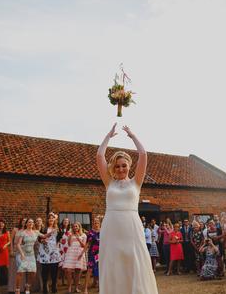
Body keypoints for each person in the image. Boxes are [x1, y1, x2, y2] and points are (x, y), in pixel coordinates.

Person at [96, 123, 158, 294]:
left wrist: (132, 135)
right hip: (111, 226)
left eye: (124, 165)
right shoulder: (109, 183)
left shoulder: (136, 183)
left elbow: (143, 155)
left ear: (129, 166)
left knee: (134, 260)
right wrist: (108, 137)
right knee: (112, 261)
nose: (121, 168)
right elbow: (100, 156)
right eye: (117, 166)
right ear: (113, 168)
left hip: (131, 225)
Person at [15, 218, 56, 294]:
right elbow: (18, 244)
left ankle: (27, 286)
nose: (31, 223)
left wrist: (52, 232)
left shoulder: (36, 232)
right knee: (20, 272)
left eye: (32, 222)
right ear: (26, 224)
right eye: (29, 222)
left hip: (31, 254)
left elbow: (44, 236)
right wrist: (22, 254)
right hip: (23, 253)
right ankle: (17, 289)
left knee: (33, 272)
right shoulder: (23, 233)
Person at [37, 213, 61, 294]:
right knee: (45, 272)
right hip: (45, 252)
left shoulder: (58, 228)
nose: (51, 219)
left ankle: (54, 287)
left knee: (54, 272)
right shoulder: (43, 228)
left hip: (54, 252)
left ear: (54, 220)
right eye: (49, 218)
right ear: (47, 220)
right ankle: (45, 288)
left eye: (52, 218)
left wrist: (58, 245)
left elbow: (60, 238)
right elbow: (39, 239)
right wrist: (42, 240)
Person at [60, 221, 87, 293]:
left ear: (79, 227)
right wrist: (69, 238)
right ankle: (69, 287)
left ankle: (76, 287)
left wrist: (78, 239)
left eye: (76, 226)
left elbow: (84, 246)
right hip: (71, 253)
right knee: (68, 270)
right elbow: (69, 244)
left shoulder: (84, 235)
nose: (75, 228)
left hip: (79, 253)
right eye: (74, 226)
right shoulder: (70, 234)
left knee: (77, 271)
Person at [8, 217, 26, 293]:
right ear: (20, 221)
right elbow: (11, 241)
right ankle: (12, 288)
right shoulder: (15, 229)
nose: (24, 222)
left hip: (23, 251)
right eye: (23, 221)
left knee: (21, 270)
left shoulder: (26, 231)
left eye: (26, 221)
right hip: (15, 250)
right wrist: (11, 250)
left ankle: (21, 288)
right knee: (14, 270)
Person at [83, 217, 101, 294]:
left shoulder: (104, 231)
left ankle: (100, 287)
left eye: (97, 222)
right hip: (92, 253)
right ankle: (85, 288)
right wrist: (83, 252)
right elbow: (88, 243)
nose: (95, 223)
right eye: (94, 222)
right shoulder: (90, 233)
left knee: (100, 270)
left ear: (100, 223)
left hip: (101, 253)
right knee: (90, 270)